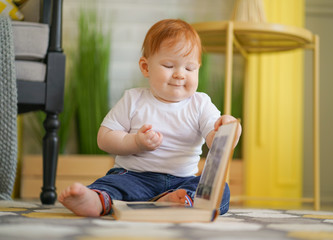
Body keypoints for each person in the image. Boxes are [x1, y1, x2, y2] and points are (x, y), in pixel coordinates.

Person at [58, 19, 241, 217]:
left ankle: (180, 200)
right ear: (146, 67)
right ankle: (96, 199)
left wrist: (229, 131)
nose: (180, 74)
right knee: (114, 184)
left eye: (190, 68)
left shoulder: (201, 104)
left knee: (219, 190)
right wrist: (135, 142)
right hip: (134, 178)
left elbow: (216, 142)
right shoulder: (133, 99)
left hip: (182, 181)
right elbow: (104, 138)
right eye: (169, 65)